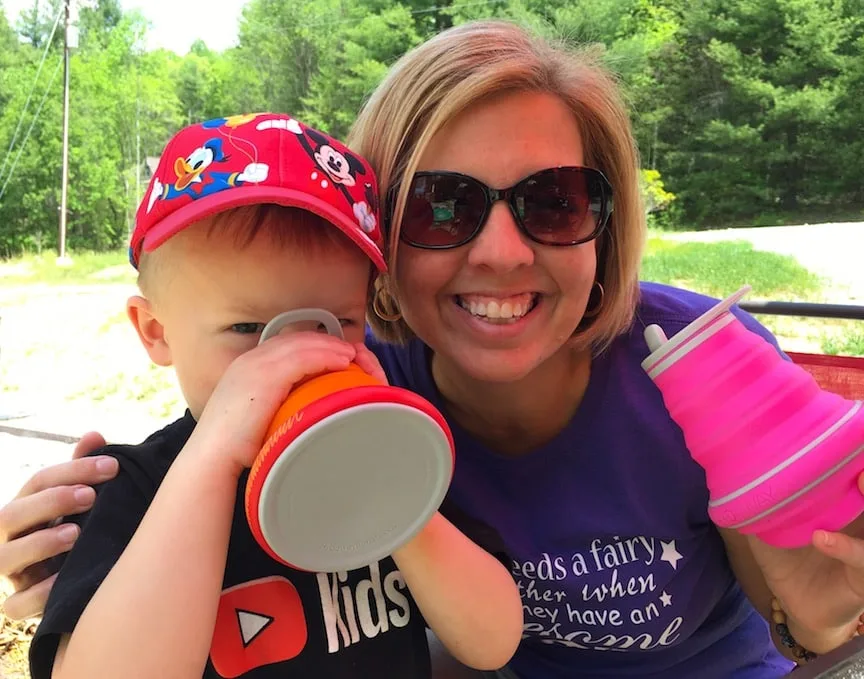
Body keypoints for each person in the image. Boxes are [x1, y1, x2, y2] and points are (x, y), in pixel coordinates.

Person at [3, 19, 864, 679]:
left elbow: (797, 616)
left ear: (606, 221)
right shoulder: (378, 379)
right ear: (384, 256)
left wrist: (829, 606)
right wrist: (94, 537)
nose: (501, 251)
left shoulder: (688, 362)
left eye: (555, 200)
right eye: (443, 206)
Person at [18, 112, 522, 679]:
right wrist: (211, 458)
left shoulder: (389, 462)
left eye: (336, 322)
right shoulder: (134, 489)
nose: (294, 358)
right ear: (156, 332)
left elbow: (493, 641)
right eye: (248, 330)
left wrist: (394, 494)